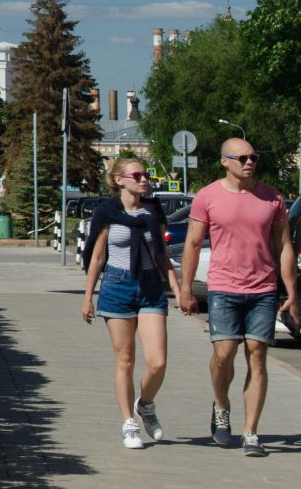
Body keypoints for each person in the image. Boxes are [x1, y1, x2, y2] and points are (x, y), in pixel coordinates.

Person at [177, 137, 300, 457]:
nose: (250, 162)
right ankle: (221, 406)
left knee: (257, 357)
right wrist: (186, 288)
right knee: (224, 355)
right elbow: (191, 244)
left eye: (254, 157)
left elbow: (284, 245)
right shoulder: (207, 196)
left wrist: (291, 289)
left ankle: (251, 433)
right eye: (243, 157)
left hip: (262, 290)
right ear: (225, 161)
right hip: (223, 288)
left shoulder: (272, 197)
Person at [79, 157, 175, 449]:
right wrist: (88, 298)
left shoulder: (153, 210)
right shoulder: (107, 212)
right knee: (126, 361)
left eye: (146, 175)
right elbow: (96, 258)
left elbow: (162, 255)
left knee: (157, 361)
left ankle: (145, 404)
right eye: (137, 175)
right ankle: (128, 423)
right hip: (117, 287)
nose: (144, 180)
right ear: (119, 180)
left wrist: (178, 288)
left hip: (149, 287)